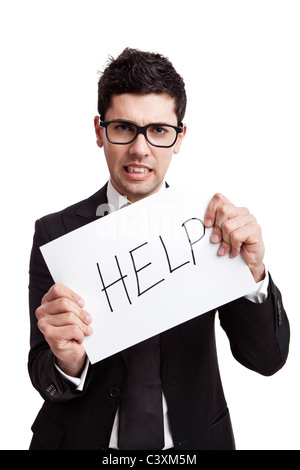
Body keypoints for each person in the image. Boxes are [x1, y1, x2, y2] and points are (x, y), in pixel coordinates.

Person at [28, 48, 290, 451]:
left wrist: (253, 276)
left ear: (179, 137)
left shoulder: (210, 226)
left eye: (159, 130)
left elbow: (267, 360)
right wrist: (67, 359)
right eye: (123, 128)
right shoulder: (56, 234)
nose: (140, 148)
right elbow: (42, 372)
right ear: (99, 131)